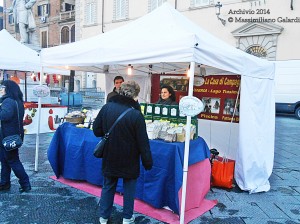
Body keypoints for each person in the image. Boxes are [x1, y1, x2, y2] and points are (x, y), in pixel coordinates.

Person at [93, 81, 153, 224]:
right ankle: (127, 218)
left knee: (108, 186)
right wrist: (147, 161)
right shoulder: (136, 115)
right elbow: (142, 142)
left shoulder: (107, 107)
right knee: (129, 188)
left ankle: (103, 217)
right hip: (129, 156)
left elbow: (96, 130)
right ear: (135, 95)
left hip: (110, 153)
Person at [0, 80, 31, 192]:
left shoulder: (8, 101)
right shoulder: (17, 101)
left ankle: (25, 183)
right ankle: (4, 183)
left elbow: (5, 116)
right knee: (4, 159)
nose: (1, 89)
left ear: (8, 89)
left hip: (8, 136)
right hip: (14, 135)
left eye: (3, 87)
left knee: (13, 160)